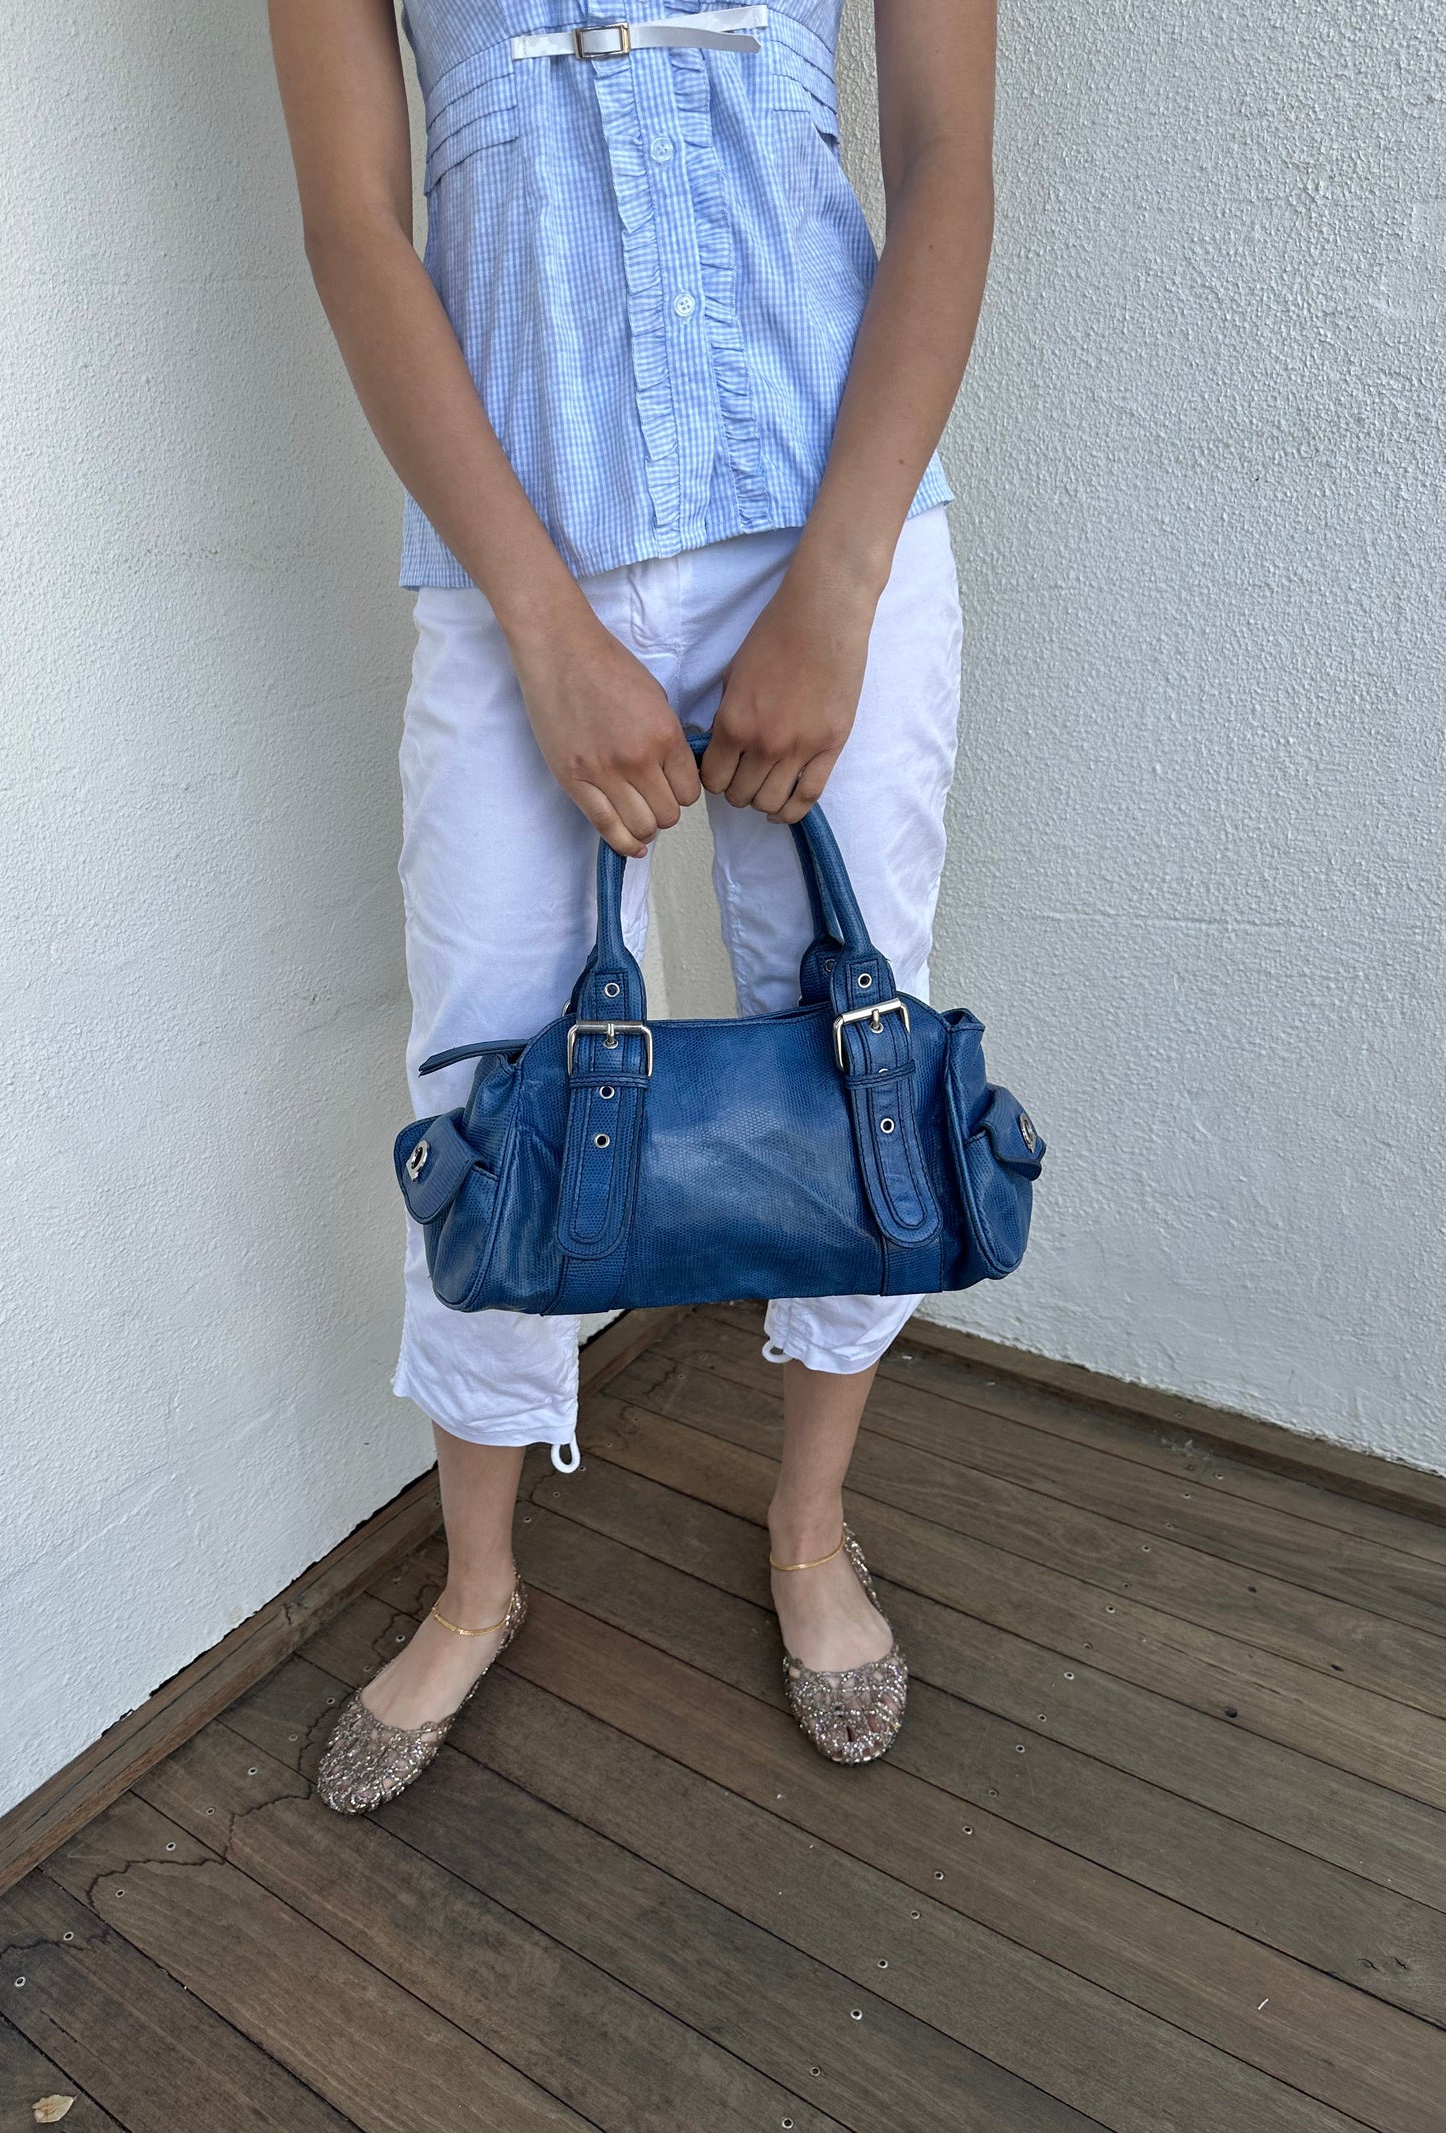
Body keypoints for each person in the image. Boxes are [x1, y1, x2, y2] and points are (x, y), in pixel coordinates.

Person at [266, 0, 995, 1810]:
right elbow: (356, 221)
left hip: (836, 529)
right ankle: (480, 1577)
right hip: (518, 547)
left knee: (861, 1050)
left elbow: (948, 161)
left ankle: (810, 1529)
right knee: (486, 1084)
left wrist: (839, 580)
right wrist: (538, 622)